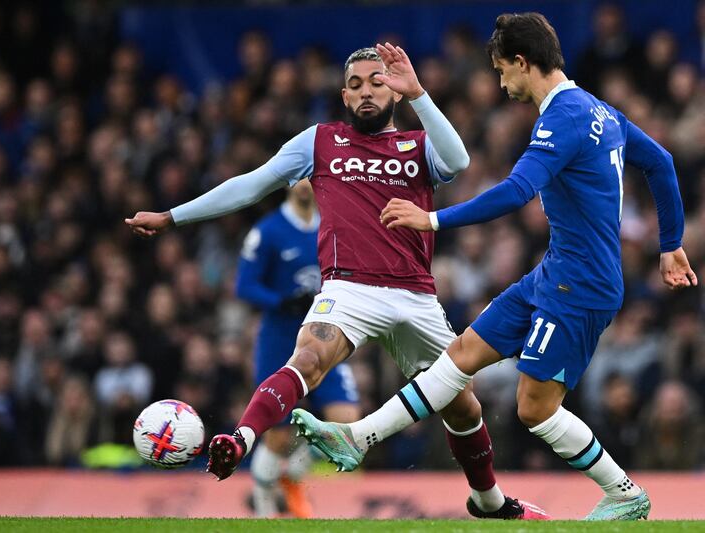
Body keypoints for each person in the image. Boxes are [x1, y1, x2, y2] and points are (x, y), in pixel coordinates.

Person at [291, 13, 697, 521]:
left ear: (524, 64)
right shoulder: (596, 108)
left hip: (582, 285)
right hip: (556, 271)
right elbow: (659, 160)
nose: (502, 83)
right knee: (461, 353)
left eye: (504, 71)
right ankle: (357, 437)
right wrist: (671, 243)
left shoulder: (562, 117)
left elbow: (516, 191)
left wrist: (431, 219)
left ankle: (624, 492)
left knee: (534, 408)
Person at [126, 43, 548, 520]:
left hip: (415, 294)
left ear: (392, 91)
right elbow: (252, 183)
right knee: (309, 356)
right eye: (354, 86)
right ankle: (240, 439)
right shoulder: (320, 141)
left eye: (375, 82)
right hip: (348, 287)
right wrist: (172, 216)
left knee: (464, 408)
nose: (366, 91)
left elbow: (459, 162)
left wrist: (419, 93)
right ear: (344, 98)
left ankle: (489, 501)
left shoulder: (415, 143)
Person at [236, 181, 360, 517]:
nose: (305, 183)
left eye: (311, 175)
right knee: (277, 435)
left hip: (326, 337)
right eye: (299, 176)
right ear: (288, 182)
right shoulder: (267, 231)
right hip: (280, 341)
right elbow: (244, 285)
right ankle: (264, 509)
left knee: (346, 422)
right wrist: (282, 302)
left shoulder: (334, 226)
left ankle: (292, 474)